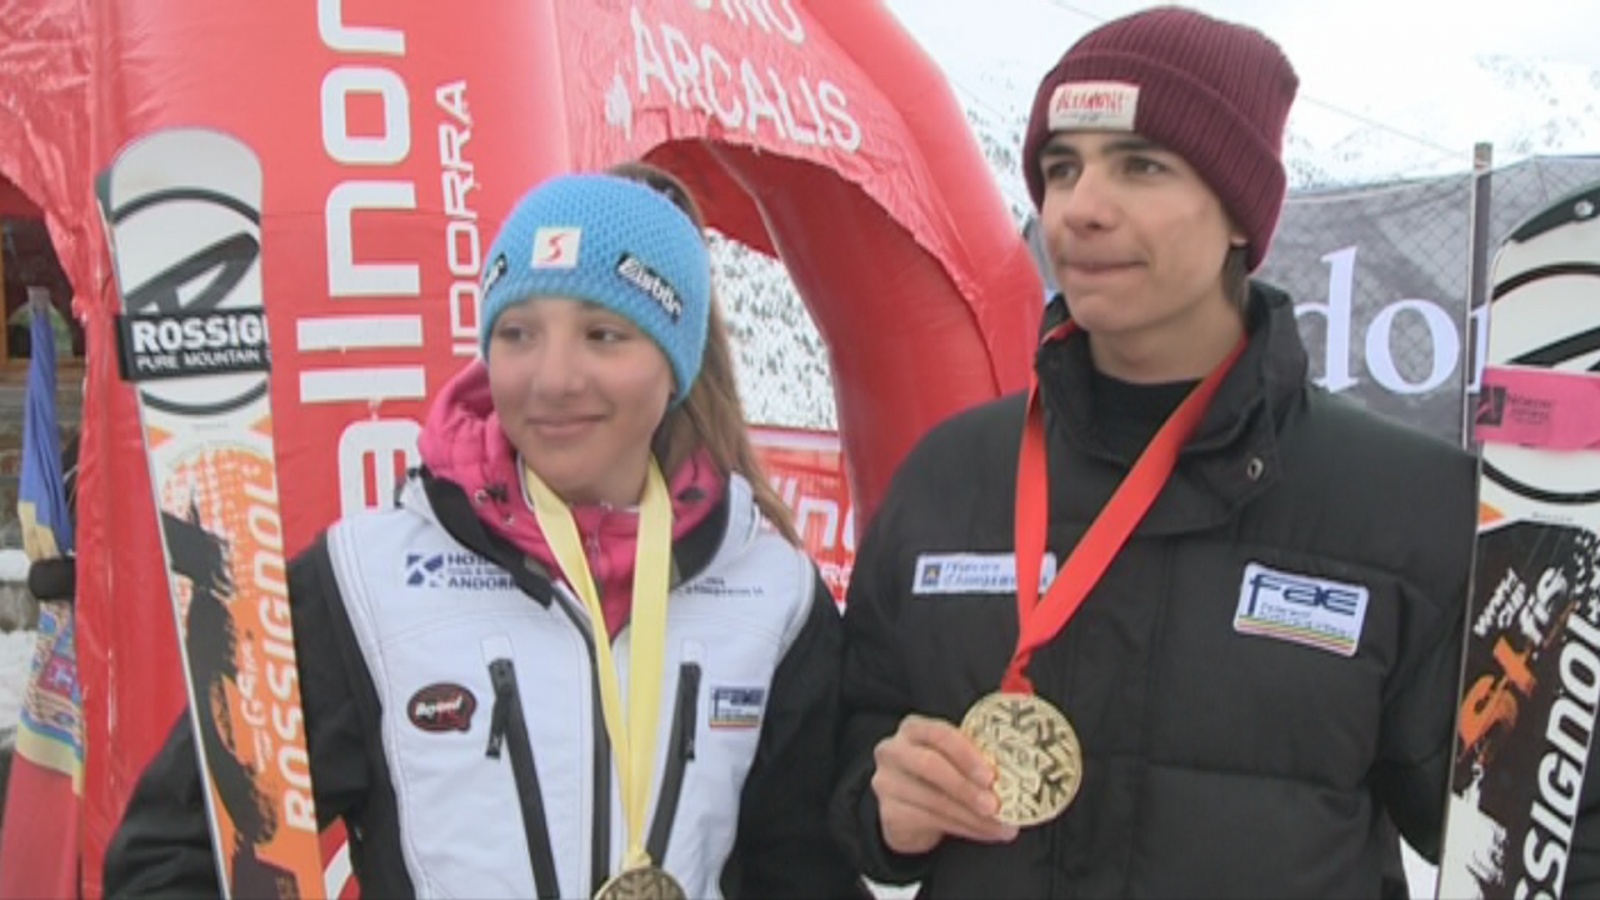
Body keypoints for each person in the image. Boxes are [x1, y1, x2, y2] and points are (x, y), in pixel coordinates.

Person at [831, 7, 1486, 897]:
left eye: (1140, 166)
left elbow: (1523, 843)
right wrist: (885, 811)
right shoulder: (951, 477)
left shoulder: (1408, 506)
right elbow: (844, 777)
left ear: (1239, 217)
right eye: (1061, 169)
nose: (1082, 209)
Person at [105, 164, 863, 899]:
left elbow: (800, 871)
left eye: (603, 335)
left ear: (676, 365)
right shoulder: (366, 585)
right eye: (518, 334)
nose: (553, 378)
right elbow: (176, 856)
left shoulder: (770, 595)